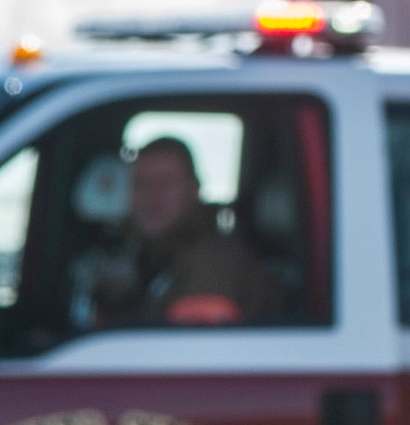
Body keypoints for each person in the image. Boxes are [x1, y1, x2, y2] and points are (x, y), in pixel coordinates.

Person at [91, 137, 283, 326]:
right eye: (141, 183)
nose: (151, 196)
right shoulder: (159, 254)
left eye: (165, 183)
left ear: (193, 190)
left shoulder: (212, 262)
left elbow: (187, 351)